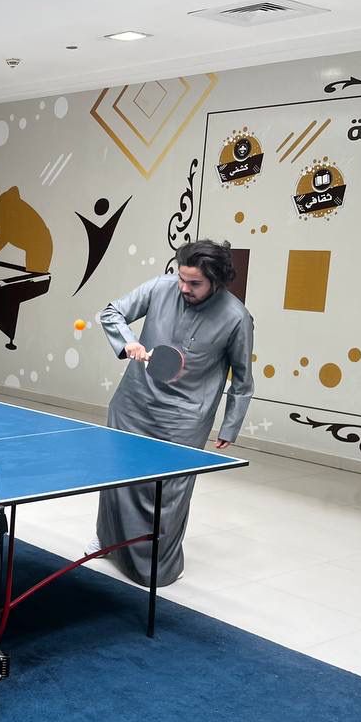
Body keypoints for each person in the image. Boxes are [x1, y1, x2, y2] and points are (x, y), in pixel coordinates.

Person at [93, 239, 253, 587]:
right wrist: (127, 341)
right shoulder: (160, 287)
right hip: (133, 402)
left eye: (195, 283)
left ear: (216, 280)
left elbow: (242, 379)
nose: (184, 288)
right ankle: (107, 541)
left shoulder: (237, 318)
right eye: (182, 278)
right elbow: (111, 312)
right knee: (117, 477)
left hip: (184, 417)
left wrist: (230, 425)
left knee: (168, 493)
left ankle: (159, 565)